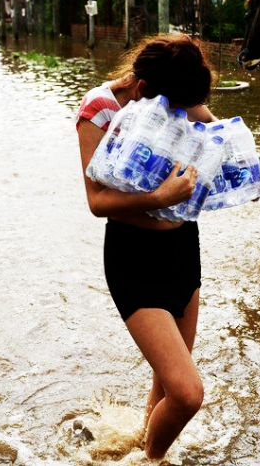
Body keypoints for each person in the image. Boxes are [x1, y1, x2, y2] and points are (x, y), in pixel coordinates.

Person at [75, 34, 216, 460]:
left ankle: (144, 445)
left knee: (166, 382)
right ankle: (151, 460)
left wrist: (236, 171)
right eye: (171, 107)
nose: (178, 114)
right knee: (188, 393)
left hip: (182, 248)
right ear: (141, 92)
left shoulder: (176, 88)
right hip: (133, 257)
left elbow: (211, 129)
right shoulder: (98, 111)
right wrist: (159, 199)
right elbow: (98, 202)